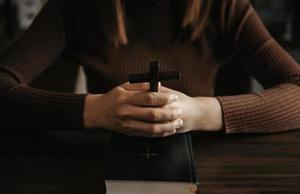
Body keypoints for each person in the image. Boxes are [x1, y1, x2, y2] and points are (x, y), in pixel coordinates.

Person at [0, 0, 299, 137]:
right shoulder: (75, 7)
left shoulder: (223, 6)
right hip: (98, 166)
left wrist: (198, 112)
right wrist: (96, 111)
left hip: (200, 167)